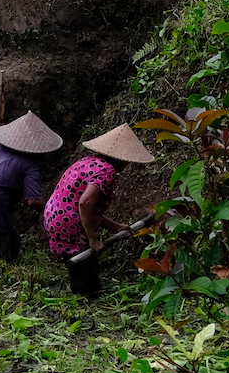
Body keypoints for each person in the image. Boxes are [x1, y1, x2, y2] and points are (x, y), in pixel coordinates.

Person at [43, 123, 154, 297]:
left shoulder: (88, 161)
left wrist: (115, 226)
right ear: (122, 159)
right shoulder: (106, 170)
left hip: (56, 215)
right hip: (69, 221)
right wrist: (92, 239)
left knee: (86, 263)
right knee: (84, 274)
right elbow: (85, 204)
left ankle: (84, 293)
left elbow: (87, 208)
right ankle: (83, 299)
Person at [0, 111, 62, 263]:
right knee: (0, 255)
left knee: (13, 242)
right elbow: (33, 201)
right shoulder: (30, 165)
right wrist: (54, 212)